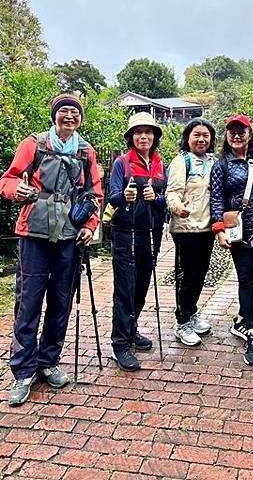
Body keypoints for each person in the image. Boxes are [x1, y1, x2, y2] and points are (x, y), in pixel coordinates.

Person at [0, 94, 102, 406]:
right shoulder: (34, 144)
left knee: (61, 299)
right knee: (28, 299)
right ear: (55, 115)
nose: (69, 117)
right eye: (64, 112)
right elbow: (8, 179)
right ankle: (23, 370)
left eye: (75, 113)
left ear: (80, 119)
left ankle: (49, 361)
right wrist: (15, 190)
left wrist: (90, 224)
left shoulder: (86, 152)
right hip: (34, 232)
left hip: (70, 235)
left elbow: (93, 193)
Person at [108, 112, 167, 372]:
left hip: (151, 233)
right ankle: (120, 344)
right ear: (131, 137)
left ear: (155, 137)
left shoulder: (159, 163)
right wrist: (124, 195)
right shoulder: (123, 163)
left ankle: (131, 330)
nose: (144, 136)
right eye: (138, 132)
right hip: (125, 234)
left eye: (149, 132)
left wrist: (156, 197)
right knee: (125, 288)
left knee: (142, 285)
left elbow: (165, 200)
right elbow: (111, 198)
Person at [210, 115, 253, 366]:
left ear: (249, 132)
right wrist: (219, 229)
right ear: (226, 135)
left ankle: (243, 317)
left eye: (241, 131)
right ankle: (251, 330)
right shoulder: (222, 164)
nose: (236, 135)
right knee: (245, 276)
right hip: (238, 230)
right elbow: (216, 198)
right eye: (232, 131)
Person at [166, 118, 216, 346]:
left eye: (206, 135)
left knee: (200, 274)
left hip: (207, 227)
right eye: (197, 135)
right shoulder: (181, 161)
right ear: (188, 138)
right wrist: (177, 206)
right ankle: (182, 322)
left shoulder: (214, 161)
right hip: (186, 228)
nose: (201, 139)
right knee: (186, 275)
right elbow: (172, 191)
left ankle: (191, 311)